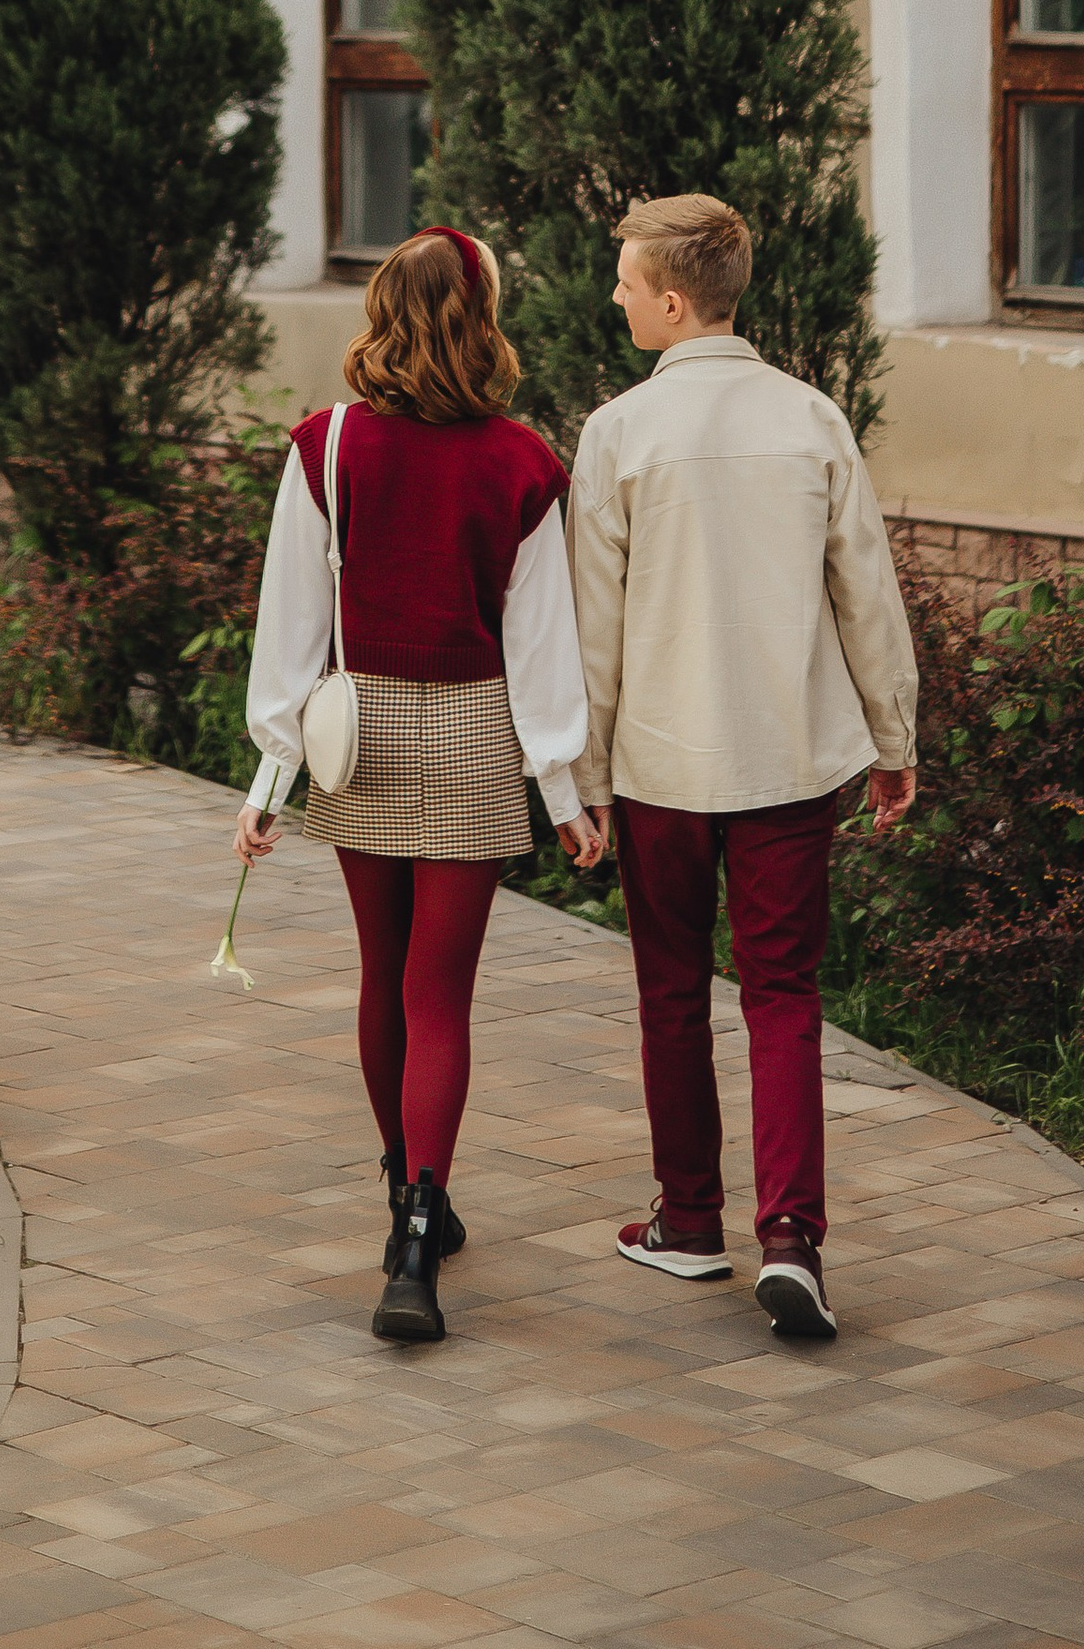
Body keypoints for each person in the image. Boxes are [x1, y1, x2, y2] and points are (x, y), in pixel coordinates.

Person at [239, 225, 601, 1346]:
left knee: (379, 974)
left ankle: (401, 1185)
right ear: (480, 319)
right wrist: (565, 790)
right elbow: (544, 648)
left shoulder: (328, 445)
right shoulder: (522, 461)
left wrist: (269, 776)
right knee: (438, 993)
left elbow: (288, 632)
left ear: (383, 312)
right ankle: (418, 1225)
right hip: (475, 736)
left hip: (359, 735)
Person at [568, 193, 918, 1342]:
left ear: (672, 302)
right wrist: (892, 736)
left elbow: (595, 630)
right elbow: (866, 591)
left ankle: (685, 1222)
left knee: (671, 993)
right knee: (783, 997)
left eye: (624, 283)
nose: (613, 297)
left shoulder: (617, 434)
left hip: (662, 765)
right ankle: (792, 1242)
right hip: (787, 761)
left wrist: (584, 778)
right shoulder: (812, 419)